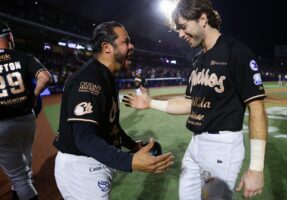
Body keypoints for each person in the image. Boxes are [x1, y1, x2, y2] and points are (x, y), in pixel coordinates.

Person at [123, 0, 268, 199]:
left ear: (202, 19)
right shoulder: (198, 59)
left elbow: (257, 109)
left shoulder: (236, 52)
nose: (180, 34)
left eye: (183, 27)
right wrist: (150, 103)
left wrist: (256, 168)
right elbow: (189, 103)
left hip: (222, 147)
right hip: (195, 144)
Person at [53, 21, 174, 200]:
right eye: (126, 42)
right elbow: (84, 138)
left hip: (95, 160)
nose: (132, 46)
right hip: (82, 165)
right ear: (107, 47)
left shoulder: (106, 76)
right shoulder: (88, 81)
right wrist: (130, 161)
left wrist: (132, 145)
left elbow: (110, 125)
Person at [0, 22, 52, 200]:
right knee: (24, 161)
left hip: (3, 124)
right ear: (10, 38)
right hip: (26, 120)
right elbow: (45, 77)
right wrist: (32, 97)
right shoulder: (23, 57)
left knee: (20, 178)